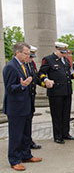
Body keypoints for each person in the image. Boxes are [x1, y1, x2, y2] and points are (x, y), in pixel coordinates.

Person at [3, 42, 42, 171]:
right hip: (16, 108)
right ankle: (14, 160)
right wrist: (22, 85)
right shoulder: (10, 67)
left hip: (26, 105)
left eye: (29, 54)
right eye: (26, 54)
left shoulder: (25, 65)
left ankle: (26, 155)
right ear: (18, 53)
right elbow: (9, 88)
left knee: (26, 133)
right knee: (16, 135)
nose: (28, 56)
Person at [38, 42, 74, 144]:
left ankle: (65, 133)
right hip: (56, 92)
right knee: (57, 115)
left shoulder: (65, 60)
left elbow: (69, 75)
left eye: (65, 52)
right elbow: (41, 73)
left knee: (66, 114)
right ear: (56, 50)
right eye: (62, 52)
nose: (64, 54)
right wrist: (46, 80)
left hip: (67, 91)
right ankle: (58, 136)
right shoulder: (48, 59)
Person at [26, 45, 44, 149]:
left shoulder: (31, 64)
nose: (32, 59)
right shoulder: (20, 66)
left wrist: (45, 84)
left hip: (31, 97)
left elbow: (35, 79)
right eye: (30, 56)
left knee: (29, 120)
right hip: (24, 98)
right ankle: (24, 142)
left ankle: (29, 141)